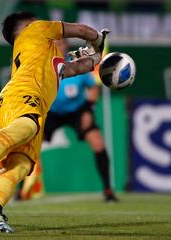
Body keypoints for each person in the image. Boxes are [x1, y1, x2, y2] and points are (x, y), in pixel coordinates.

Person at [0, 11, 109, 233]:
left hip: (30, 103)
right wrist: (98, 39)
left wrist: (96, 57)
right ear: (26, 26)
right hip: (22, 94)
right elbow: (82, 31)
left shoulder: (50, 57)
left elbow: (78, 68)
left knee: (22, 164)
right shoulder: (36, 29)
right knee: (28, 126)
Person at [18, 39, 118, 202]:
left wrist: (89, 110)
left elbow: (92, 87)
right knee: (28, 145)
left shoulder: (76, 65)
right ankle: (21, 190)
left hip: (77, 111)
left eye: (61, 43)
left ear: (66, 47)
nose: (58, 46)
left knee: (98, 143)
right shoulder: (41, 66)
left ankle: (108, 191)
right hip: (51, 112)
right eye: (55, 43)